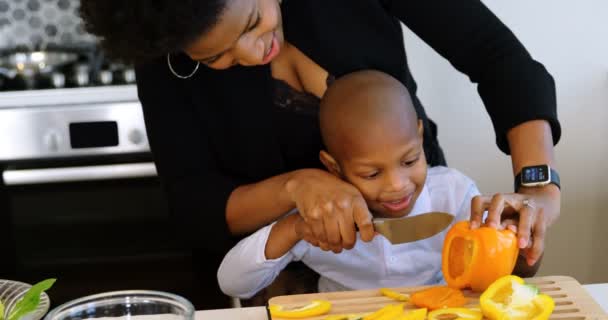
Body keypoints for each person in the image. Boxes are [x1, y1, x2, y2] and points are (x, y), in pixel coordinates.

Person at [80, 0, 561, 307]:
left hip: (420, 262)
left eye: (252, 22)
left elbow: (496, 56)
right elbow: (192, 204)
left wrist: (538, 187)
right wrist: (295, 188)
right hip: (271, 286)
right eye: (216, 58)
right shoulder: (161, 43)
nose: (250, 52)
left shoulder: (445, 193)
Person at [218, 70, 481, 298]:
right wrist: (293, 229)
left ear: (421, 138)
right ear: (334, 167)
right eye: (372, 174)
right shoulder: (319, 214)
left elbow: (500, 266)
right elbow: (232, 283)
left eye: (410, 161)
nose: (398, 185)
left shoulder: (455, 195)